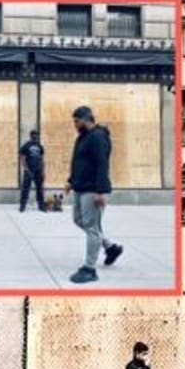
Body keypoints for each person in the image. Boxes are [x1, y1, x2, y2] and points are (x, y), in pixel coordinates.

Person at [65, 106, 123, 284]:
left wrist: (100, 191)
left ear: (86, 119)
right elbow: (78, 162)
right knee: (79, 220)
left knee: (91, 227)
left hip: (93, 190)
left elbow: (102, 164)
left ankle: (90, 269)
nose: (75, 125)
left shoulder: (98, 137)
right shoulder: (83, 137)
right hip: (80, 187)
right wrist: (70, 181)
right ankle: (110, 247)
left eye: (77, 121)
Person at [18, 130, 46, 212]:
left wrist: (43, 171)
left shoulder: (40, 146)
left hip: (38, 170)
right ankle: (22, 205)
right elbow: (22, 157)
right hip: (29, 170)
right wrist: (26, 168)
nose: (35, 137)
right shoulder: (26, 145)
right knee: (25, 188)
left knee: (40, 188)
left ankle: (41, 205)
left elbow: (42, 159)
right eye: (34, 135)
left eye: (37, 135)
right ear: (31, 136)